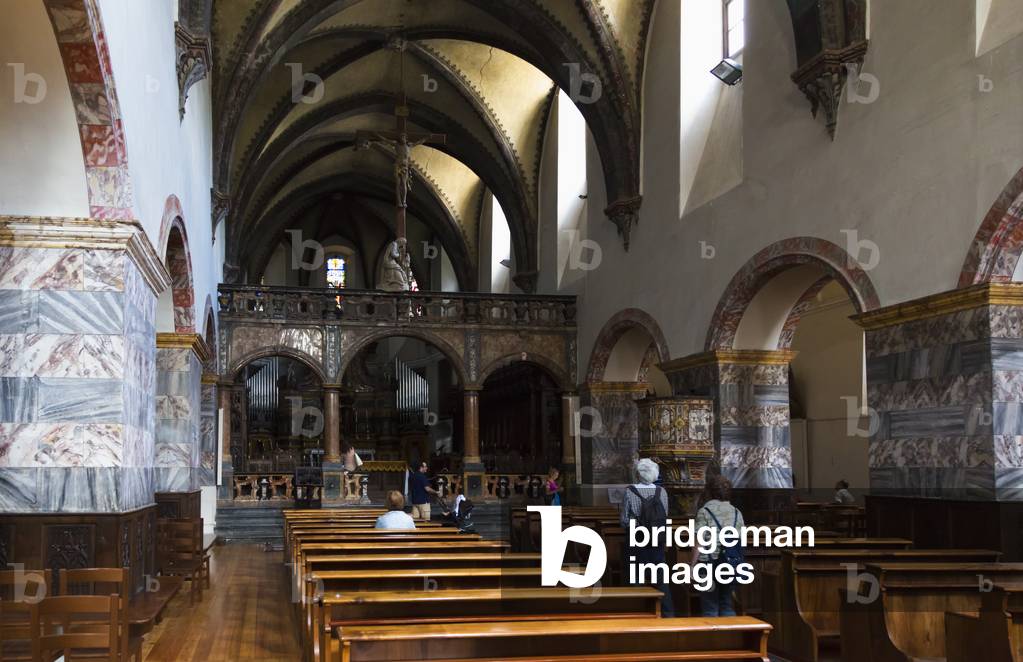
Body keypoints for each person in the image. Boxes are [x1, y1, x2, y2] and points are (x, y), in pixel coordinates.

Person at [620, 458, 674, 617]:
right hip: (657, 539)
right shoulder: (661, 492)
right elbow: (665, 516)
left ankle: (637, 613)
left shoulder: (630, 491)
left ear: (637, 474)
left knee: (635, 576)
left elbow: (624, 520)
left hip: (636, 538)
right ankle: (668, 614)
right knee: (661, 579)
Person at [691, 475, 744, 616]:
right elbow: (739, 540)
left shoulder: (705, 511)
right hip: (730, 563)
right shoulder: (737, 513)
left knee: (709, 606)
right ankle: (731, 637)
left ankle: (712, 637)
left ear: (709, 492)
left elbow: (699, 541)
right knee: (726, 603)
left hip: (708, 563)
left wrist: (692, 565)